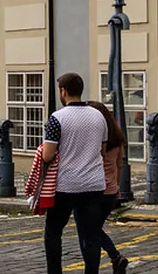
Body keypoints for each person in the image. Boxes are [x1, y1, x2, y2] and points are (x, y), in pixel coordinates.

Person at [41, 73, 108, 274]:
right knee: (92, 235)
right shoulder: (99, 116)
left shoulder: (57, 118)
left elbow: (47, 155)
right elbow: (103, 151)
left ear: (63, 91)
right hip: (94, 184)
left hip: (65, 184)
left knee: (53, 232)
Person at [78, 101, 129, 274]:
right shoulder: (117, 138)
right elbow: (119, 165)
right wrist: (117, 187)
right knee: (94, 229)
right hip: (110, 192)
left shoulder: (94, 139)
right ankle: (114, 258)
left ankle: (112, 257)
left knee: (87, 232)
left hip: (91, 189)